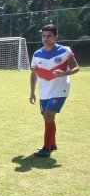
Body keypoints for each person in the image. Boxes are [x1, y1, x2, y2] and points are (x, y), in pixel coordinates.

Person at [29, 24, 79, 157]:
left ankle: (46, 148)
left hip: (60, 89)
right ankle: (52, 144)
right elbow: (34, 75)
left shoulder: (65, 51)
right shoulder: (37, 54)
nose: (46, 39)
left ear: (55, 37)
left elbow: (76, 68)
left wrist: (64, 74)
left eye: (49, 36)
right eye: (44, 36)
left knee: (48, 115)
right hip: (44, 90)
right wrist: (32, 92)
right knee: (48, 118)